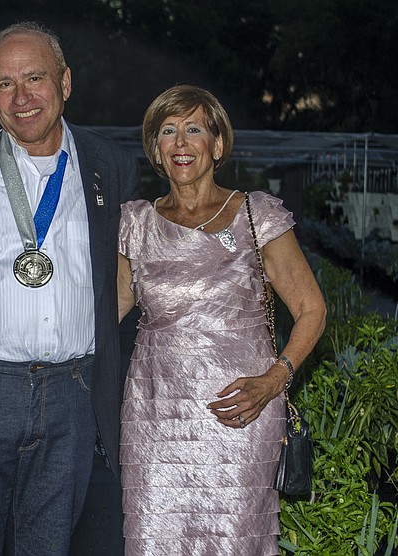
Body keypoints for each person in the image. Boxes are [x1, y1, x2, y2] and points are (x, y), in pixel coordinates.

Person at [0, 21, 140, 555]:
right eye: (4, 83)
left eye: (34, 78)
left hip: (72, 394)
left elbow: (133, 272)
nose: (21, 97)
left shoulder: (111, 167)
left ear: (65, 82)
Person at [117, 84, 326, 555]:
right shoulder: (133, 224)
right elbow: (96, 316)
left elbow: (312, 309)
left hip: (242, 414)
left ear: (216, 144)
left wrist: (274, 381)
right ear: (155, 149)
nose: (180, 143)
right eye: (168, 132)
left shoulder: (257, 214)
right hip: (155, 419)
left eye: (194, 129)